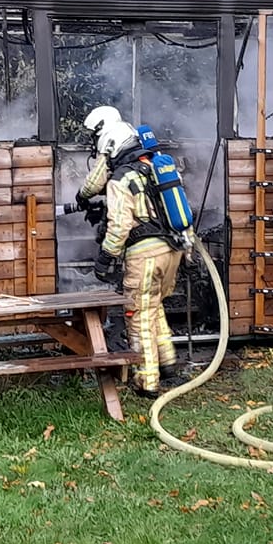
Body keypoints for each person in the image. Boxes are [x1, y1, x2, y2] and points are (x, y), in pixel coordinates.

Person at [93, 136, 184, 396]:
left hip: (145, 255)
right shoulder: (155, 167)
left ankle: (147, 381)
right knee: (154, 306)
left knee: (139, 315)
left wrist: (105, 257)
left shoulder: (121, 179)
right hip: (172, 250)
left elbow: (120, 226)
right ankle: (168, 364)